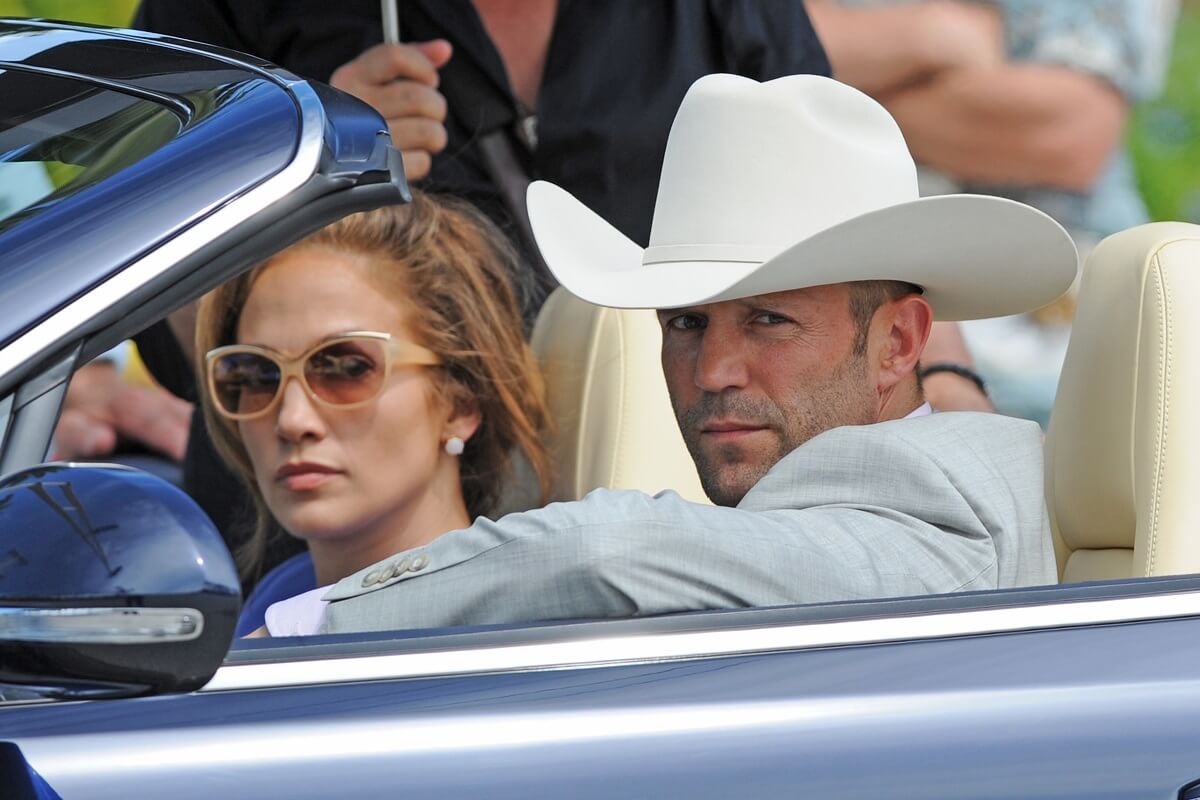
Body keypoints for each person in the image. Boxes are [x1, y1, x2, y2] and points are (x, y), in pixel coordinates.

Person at [262, 74, 1078, 637]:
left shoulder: (941, 493)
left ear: (899, 343)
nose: (712, 371)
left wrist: (305, 630)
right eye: (685, 324)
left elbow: (603, 553)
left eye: (767, 321)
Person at [805, 0, 1179, 424]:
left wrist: (825, 105)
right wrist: (934, 33)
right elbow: (753, 50)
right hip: (855, 350)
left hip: (1062, 367)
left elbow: (1067, 132)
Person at [194, 194, 551, 633]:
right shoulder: (278, 598)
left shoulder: (512, 626)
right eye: (254, 373)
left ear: (461, 403)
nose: (292, 420)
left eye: (347, 367)